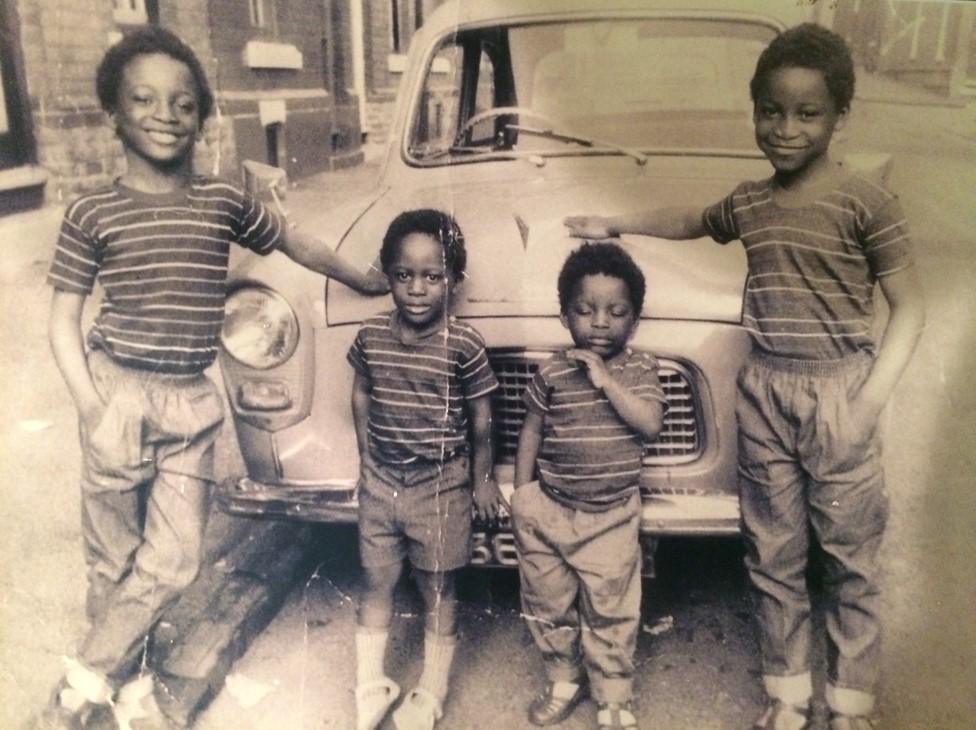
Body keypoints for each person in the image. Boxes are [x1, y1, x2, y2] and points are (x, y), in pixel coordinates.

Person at [565, 23, 925, 730]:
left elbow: (910, 310)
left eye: (807, 113)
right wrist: (614, 223)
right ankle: (787, 695)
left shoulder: (866, 205)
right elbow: (692, 219)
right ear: (754, 110)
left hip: (839, 393)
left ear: (840, 118)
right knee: (772, 553)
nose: (785, 129)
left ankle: (851, 704)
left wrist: (867, 403)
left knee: (850, 559)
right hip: (764, 392)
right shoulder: (751, 202)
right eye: (770, 111)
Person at [40, 26, 388, 730]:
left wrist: (360, 275)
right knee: (111, 567)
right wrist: (90, 406)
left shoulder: (221, 200)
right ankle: (128, 691)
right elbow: (62, 321)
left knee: (172, 561)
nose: (165, 113)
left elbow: (294, 239)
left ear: (201, 115)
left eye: (182, 101)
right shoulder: (92, 213)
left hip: (193, 401)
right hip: (116, 391)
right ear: (114, 111)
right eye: (143, 99)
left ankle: (78, 683)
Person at [347, 208, 504, 730]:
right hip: (382, 482)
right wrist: (366, 458)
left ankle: (431, 690)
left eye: (433, 276)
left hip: (441, 484)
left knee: (439, 587)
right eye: (404, 275)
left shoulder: (464, 343)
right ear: (388, 275)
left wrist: (483, 480)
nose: (417, 289)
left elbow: (483, 418)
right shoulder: (371, 335)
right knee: (377, 579)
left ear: (453, 280)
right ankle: (370, 684)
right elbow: (362, 394)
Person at [511, 242, 666, 730]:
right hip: (549, 510)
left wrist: (605, 381)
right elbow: (532, 429)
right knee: (546, 603)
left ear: (634, 322)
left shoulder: (641, 369)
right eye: (585, 310)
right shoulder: (553, 370)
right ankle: (563, 679)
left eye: (616, 312)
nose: (600, 322)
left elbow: (650, 424)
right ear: (564, 317)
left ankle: (613, 695)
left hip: (610, 516)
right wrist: (522, 496)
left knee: (611, 609)